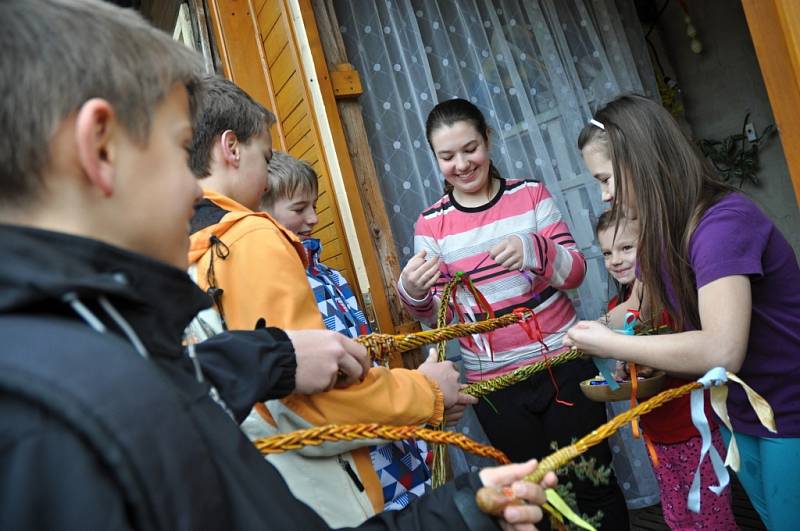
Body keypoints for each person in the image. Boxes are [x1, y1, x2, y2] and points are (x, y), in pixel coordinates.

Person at [0, 1, 559, 530]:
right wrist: (426, 398)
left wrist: (265, 358)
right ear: (100, 149)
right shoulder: (60, 418)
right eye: (176, 150)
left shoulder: (107, 350)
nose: (191, 189)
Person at [186, 75, 478, 527]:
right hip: (322, 498)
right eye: (265, 159)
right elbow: (312, 404)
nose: (264, 178)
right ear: (231, 147)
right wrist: (427, 390)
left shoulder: (182, 248)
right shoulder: (251, 237)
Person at [566, 94, 800, 530]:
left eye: (605, 179)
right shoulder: (663, 235)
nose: (604, 195)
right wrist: (592, 329)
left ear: (641, 161)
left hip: (788, 404)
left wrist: (610, 341)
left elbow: (723, 349)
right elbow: (636, 309)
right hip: (740, 408)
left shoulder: (721, 224)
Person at [398, 98, 628, 529]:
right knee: (531, 498)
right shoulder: (431, 225)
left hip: (563, 364)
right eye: (447, 157)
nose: (462, 164)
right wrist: (411, 290)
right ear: (435, 159)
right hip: (497, 388)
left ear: (488, 139)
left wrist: (534, 249)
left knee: (593, 483)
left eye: (470, 149)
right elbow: (434, 316)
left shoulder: (530, 195)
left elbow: (575, 273)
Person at [261, 151, 480, 514]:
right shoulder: (279, 291)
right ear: (261, 213)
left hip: (401, 456)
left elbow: (367, 374)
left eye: (314, 206)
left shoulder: (330, 278)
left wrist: (424, 404)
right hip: (364, 481)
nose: (313, 219)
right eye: (299, 209)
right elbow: (327, 401)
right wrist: (424, 395)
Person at [596, 211, 737, 529]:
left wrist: (654, 362)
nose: (616, 260)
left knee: (712, 516)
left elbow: (701, 362)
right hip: (656, 435)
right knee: (677, 517)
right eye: (607, 252)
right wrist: (624, 371)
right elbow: (629, 362)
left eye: (626, 248)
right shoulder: (615, 311)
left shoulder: (673, 304)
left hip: (695, 431)